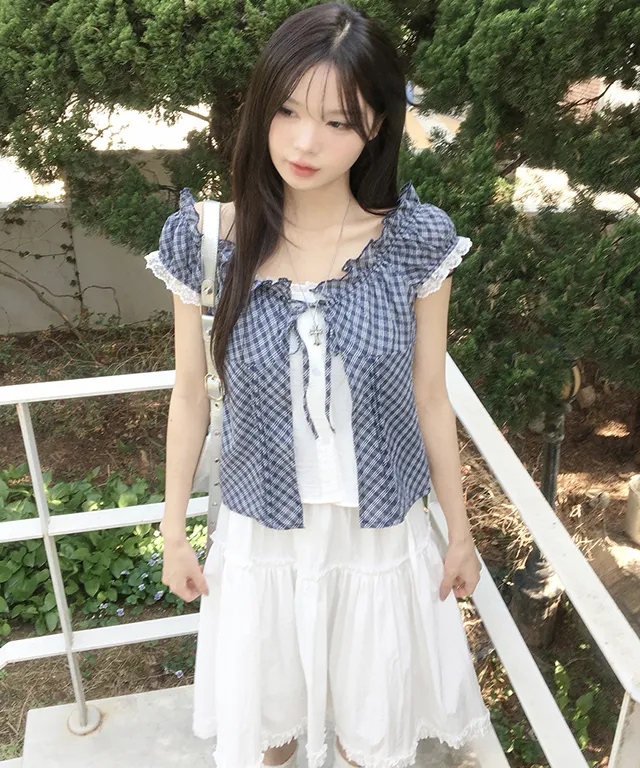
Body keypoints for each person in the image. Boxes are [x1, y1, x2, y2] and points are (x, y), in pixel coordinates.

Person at [144, 3, 492, 768]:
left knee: (372, 736)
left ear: (377, 128)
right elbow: (190, 395)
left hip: (378, 539)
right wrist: (174, 533)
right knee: (270, 737)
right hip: (262, 537)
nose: (305, 143)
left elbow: (430, 396)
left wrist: (460, 535)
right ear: (261, 107)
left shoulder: (413, 241)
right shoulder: (206, 242)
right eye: (288, 111)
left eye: (339, 122)